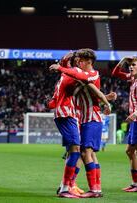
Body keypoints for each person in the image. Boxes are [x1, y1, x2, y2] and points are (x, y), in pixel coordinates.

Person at [50, 50, 114, 198]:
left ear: (88, 62)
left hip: (92, 118)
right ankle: (83, 187)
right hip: (82, 118)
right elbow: (93, 91)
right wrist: (106, 98)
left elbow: (87, 83)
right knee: (86, 153)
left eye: (80, 60)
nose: (78, 63)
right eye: (76, 60)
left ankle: (86, 188)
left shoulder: (92, 74)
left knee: (84, 153)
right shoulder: (75, 76)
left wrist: (106, 103)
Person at [112, 56, 137, 192]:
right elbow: (115, 73)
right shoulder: (132, 78)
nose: (131, 67)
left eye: (134, 64)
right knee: (129, 151)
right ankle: (135, 183)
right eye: (130, 65)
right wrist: (123, 60)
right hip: (135, 121)